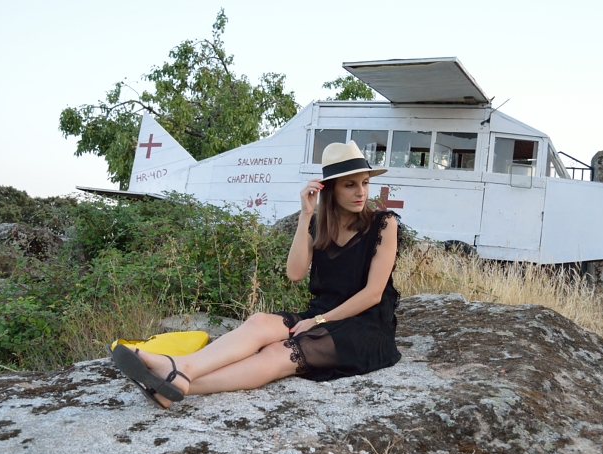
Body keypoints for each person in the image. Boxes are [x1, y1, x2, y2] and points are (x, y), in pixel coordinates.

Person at [111, 141, 402, 408]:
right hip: (322, 313)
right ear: (331, 189)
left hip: (365, 326)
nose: (361, 192)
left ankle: (177, 376)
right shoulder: (319, 226)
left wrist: (317, 321)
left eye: (364, 183)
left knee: (279, 353)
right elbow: (295, 273)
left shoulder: (383, 224)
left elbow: (373, 293)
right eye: (350, 185)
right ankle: (178, 374)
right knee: (260, 321)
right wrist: (304, 216)